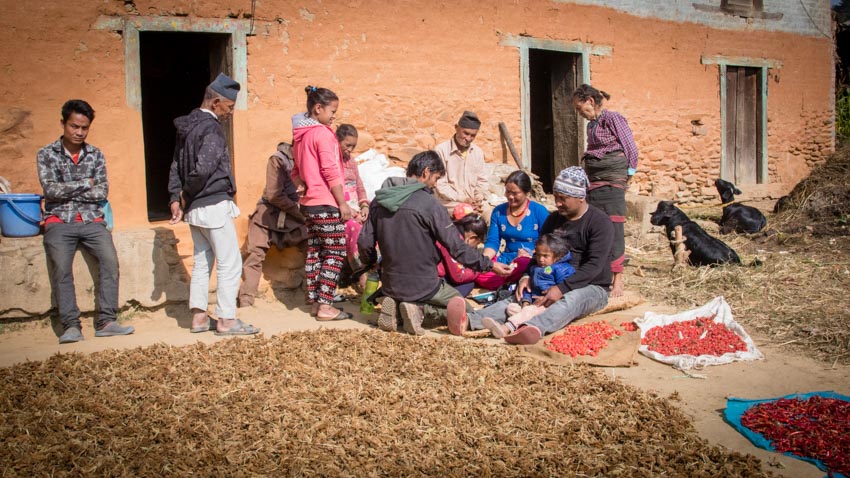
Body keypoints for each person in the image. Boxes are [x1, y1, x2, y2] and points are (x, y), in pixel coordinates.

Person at [446, 166, 613, 345]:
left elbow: (594, 266)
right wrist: (527, 276)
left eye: (563, 199)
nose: (557, 203)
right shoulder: (553, 219)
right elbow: (538, 253)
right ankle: (471, 320)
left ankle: (529, 328)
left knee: (569, 300)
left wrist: (562, 288)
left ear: (581, 198)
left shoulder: (599, 223)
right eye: (556, 197)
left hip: (590, 286)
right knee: (519, 296)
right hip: (550, 278)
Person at [358, 151, 512, 336]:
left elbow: (364, 242)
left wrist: (372, 262)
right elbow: (457, 247)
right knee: (464, 308)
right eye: (436, 178)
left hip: (391, 281)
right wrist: (490, 265)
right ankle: (420, 311)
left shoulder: (379, 201)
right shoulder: (429, 204)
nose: (435, 185)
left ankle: (396, 305)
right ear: (426, 172)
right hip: (425, 284)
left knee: (415, 295)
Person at [168, 73, 260, 336]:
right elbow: (204, 168)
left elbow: (175, 165)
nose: (230, 113)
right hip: (212, 204)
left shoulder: (186, 126)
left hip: (196, 209)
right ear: (216, 102)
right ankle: (227, 320)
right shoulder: (211, 129)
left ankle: (199, 318)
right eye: (229, 107)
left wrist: (176, 197)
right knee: (229, 263)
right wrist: (183, 197)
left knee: (201, 262)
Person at [37, 99, 135, 344]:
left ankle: (106, 321)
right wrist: (85, 184)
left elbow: (102, 192)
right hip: (59, 220)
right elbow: (50, 191)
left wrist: (71, 188)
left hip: (92, 219)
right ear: (63, 123)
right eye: (74, 126)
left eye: (84, 128)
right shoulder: (46, 154)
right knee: (61, 268)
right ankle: (70, 326)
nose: (79, 132)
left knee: (110, 261)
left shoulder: (95, 155)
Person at [290, 85, 353, 321]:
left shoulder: (300, 135)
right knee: (335, 252)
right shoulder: (323, 134)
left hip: (308, 203)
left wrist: (302, 184)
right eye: (332, 110)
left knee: (316, 251)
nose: (334, 115)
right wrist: (343, 203)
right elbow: (330, 170)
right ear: (318, 108)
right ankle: (326, 305)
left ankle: (316, 302)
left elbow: (294, 170)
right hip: (325, 203)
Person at [572, 84, 638, 298]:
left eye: (580, 108)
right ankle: (598, 274)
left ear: (590, 101)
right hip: (595, 182)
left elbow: (630, 146)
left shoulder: (613, 118)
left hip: (612, 182)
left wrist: (628, 173)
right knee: (597, 226)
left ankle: (617, 280)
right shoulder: (591, 126)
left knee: (615, 228)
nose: (580, 113)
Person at [237, 142, 308, 307]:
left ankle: (315, 297)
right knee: (254, 254)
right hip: (268, 214)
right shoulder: (277, 160)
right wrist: (299, 212)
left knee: (313, 247)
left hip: (294, 218)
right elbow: (273, 195)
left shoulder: (310, 161)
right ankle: (246, 301)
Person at [481, 233, 574, 338]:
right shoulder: (535, 268)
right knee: (512, 308)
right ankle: (521, 323)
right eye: (538, 255)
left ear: (557, 257)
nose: (541, 259)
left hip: (546, 305)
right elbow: (529, 288)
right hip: (532, 303)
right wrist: (525, 302)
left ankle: (505, 329)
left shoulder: (562, 269)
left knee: (528, 312)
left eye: (545, 256)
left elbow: (565, 289)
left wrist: (547, 298)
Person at [474, 170, 550, 291]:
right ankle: (508, 281)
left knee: (523, 265)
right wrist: (486, 261)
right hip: (507, 259)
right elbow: (493, 241)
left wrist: (532, 253)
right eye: (508, 192)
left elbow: (549, 242)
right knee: (480, 272)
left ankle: (513, 280)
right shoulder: (498, 212)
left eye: (515, 193)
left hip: (531, 259)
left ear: (527, 193)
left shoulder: (539, 212)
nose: (510, 196)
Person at [434, 110, 490, 218]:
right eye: (466, 133)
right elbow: (440, 184)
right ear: (456, 127)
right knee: (468, 213)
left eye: (473, 135)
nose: (468, 138)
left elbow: (482, 180)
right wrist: (464, 200)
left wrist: (478, 197)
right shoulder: (441, 151)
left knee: (490, 214)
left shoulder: (477, 152)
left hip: (472, 202)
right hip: (449, 202)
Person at [336, 124, 370, 286]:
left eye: (353, 146)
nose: (350, 150)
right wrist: (352, 212)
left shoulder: (351, 162)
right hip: (341, 211)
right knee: (355, 229)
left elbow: (359, 186)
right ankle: (362, 275)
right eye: (347, 145)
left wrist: (364, 207)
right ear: (337, 141)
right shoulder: (333, 162)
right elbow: (333, 193)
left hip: (356, 209)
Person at [436, 203, 488, 297]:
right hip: (433, 279)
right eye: (476, 243)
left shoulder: (450, 231)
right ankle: (428, 307)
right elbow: (458, 276)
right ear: (471, 238)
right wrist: (477, 271)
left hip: (425, 274)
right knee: (468, 285)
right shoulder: (454, 242)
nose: (474, 248)